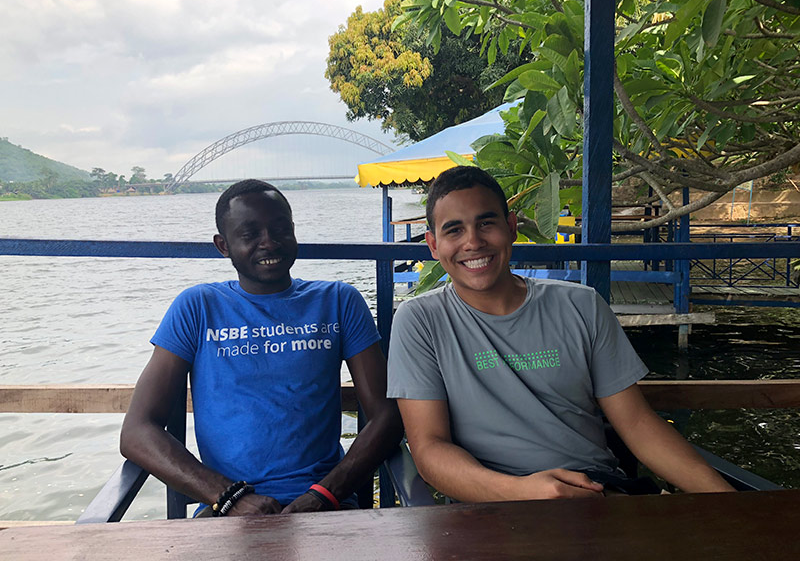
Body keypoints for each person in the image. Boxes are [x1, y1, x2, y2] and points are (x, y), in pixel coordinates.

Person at [387, 166, 734, 502]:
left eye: (486, 223)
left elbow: (638, 424)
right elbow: (430, 448)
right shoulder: (420, 321)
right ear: (433, 245)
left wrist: (730, 504)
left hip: (594, 492)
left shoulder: (580, 305)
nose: (473, 242)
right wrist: (524, 492)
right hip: (489, 506)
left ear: (510, 228)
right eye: (454, 231)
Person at [121, 179, 403, 517]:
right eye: (250, 234)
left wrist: (323, 495)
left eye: (281, 229)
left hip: (326, 505)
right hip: (228, 510)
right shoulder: (198, 308)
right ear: (223, 246)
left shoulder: (338, 301)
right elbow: (137, 432)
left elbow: (387, 416)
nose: (269, 243)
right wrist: (230, 497)